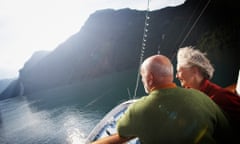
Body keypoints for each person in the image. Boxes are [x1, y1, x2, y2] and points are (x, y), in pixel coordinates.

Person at [91, 54, 232, 144]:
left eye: (142, 76)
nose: (142, 80)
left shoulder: (137, 110)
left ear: (150, 78)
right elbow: (226, 130)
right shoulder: (201, 97)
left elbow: (121, 130)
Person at [176, 46, 240, 140]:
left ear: (194, 70)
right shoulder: (199, 98)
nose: (176, 76)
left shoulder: (219, 97)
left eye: (179, 71)